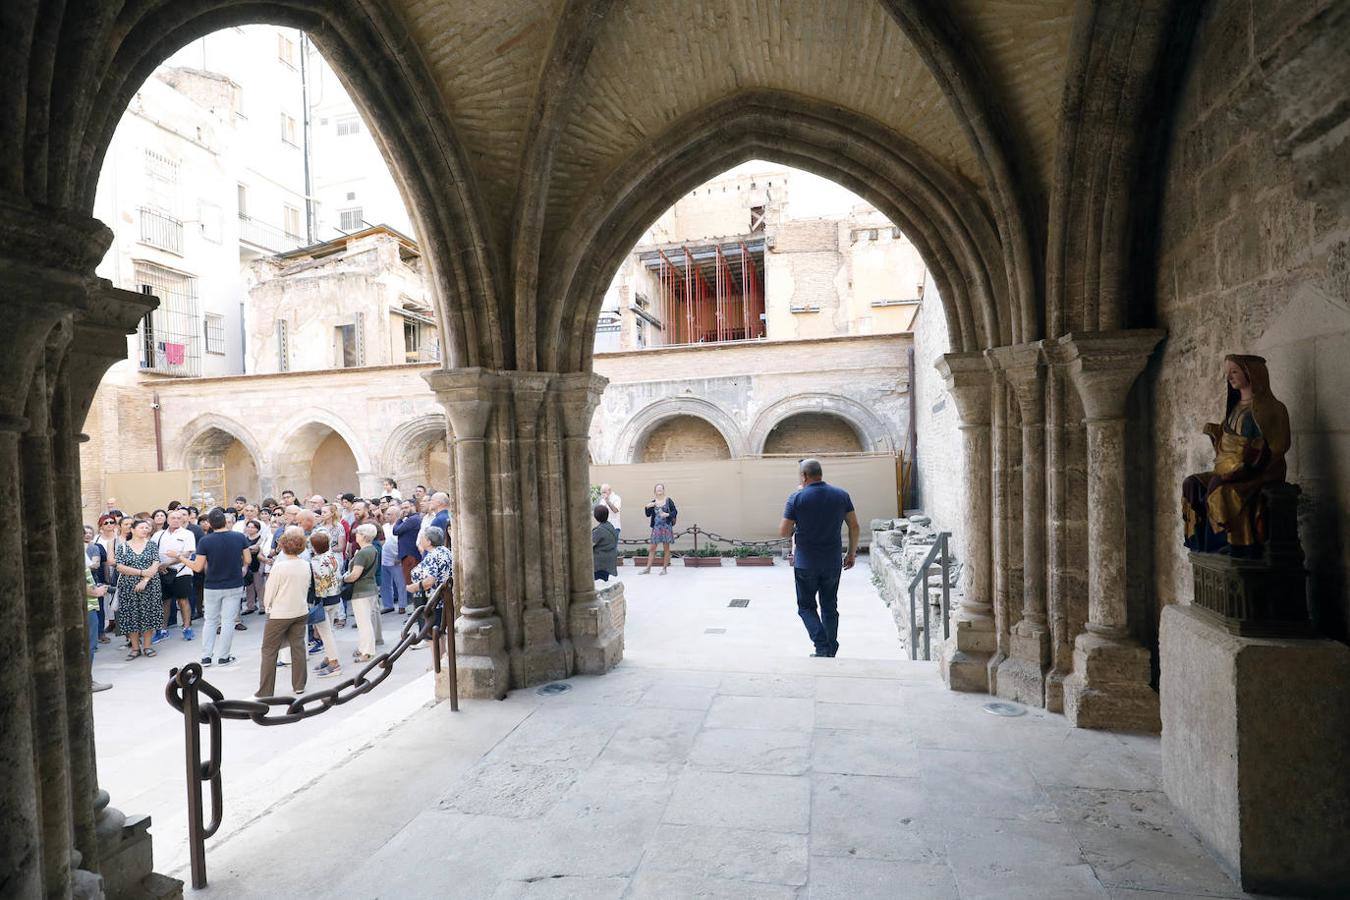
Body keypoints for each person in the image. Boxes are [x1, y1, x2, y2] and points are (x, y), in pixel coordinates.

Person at [779, 458, 859, 658]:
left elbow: (784, 532)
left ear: (804, 476)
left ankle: (822, 646)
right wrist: (851, 553)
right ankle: (830, 649)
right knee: (830, 606)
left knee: (806, 607)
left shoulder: (796, 498)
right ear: (820, 473)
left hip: (805, 563)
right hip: (832, 562)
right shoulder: (841, 495)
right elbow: (854, 525)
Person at [173, 509, 252, 667]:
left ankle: (206, 656)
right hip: (234, 583)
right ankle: (224, 656)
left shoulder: (205, 541)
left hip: (212, 585)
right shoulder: (239, 537)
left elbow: (197, 567)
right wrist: (242, 567)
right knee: (228, 621)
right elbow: (248, 559)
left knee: (210, 621)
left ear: (209, 524)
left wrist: (179, 557)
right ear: (225, 521)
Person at [257, 527, 310, 697]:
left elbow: (269, 592)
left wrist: (268, 608)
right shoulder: (305, 564)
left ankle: (265, 690)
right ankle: (299, 684)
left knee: (269, 650)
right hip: (300, 610)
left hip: (280, 613)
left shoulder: (279, 567)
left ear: (283, 546)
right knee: (298, 647)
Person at [113, 519, 163, 660]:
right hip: (128, 586)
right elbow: (120, 567)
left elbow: (155, 564)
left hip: (150, 585)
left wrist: (145, 580)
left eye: (147, 528)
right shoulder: (123, 546)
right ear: (133, 530)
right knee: (131, 616)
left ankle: (147, 646)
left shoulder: (152, 545)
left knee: (148, 615)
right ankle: (135, 648)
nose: (145, 530)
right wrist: (141, 573)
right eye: (141, 527)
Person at [405, 526, 452, 650]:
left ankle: (437, 665)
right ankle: (441, 660)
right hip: (442, 598)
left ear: (429, 541)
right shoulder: (445, 551)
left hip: (432, 600)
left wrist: (413, 587)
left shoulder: (432, 556)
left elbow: (429, 581)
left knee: (432, 634)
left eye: (422, 537)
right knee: (439, 632)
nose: (420, 539)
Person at [155, 508, 197, 643]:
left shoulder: (187, 534)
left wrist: (168, 563)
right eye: (173, 518)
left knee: (183, 600)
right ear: (167, 520)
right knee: (165, 601)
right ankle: (163, 630)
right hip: (163, 573)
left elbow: (186, 554)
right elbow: (152, 552)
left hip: (181, 571)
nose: (176, 520)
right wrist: (159, 567)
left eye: (179, 518)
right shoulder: (159, 535)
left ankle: (187, 628)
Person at [309, 531, 345, 678]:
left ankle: (334, 662)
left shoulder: (316, 561)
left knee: (326, 633)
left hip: (323, 599)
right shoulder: (332, 556)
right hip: (335, 596)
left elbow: (320, 584)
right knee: (329, 631)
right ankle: (328, 656)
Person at [343, 523, 380, 663]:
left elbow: (355, 575)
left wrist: (344, 579)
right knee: (366, 621)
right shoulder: (372, 549)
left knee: (363, 623)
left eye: (358, 533)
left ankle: (368, 652)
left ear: (364, 536)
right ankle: (363, 647)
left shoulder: (363, 552)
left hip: (361, 590)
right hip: (370, 588)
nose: (355, 536)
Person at [85, 563, 111, 692]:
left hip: (88, 606)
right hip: (87, 607)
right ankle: (86, 682)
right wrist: (96, 592)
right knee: (89, 646)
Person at [642, 484, 677, 576]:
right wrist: (647, 507)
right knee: (652, 548)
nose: (659, 490)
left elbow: (675, 512)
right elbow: (648, 514)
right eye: (657, 489)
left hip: (666, 527)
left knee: (666, 548)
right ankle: (648, 568)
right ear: (655, 491)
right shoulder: (653, 502)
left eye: (661, 489)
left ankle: (664, 569)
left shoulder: (668, 500)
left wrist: (667, 514)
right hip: (656, 528)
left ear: (664, 490)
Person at [379, 504, 407, 615]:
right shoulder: (384, 527)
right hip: (384, 558)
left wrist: (400, 557)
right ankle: (388, 605)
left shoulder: (401, 526)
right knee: (385, 584)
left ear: (396, 515)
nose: (386, 516)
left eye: (389, 514)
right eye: (386, 514)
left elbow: (403, 543)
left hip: (396, 559)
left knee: (400, 583)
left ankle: (402, 605)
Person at [393, 498, 423, 592]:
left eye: (406, 507)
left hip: (410, 555)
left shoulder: (413, 519)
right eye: (402, 508)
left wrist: (399, 519)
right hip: (410, 555)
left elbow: (396, 531)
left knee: (411, 583)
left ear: (413, 507)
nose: (404, 510)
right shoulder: (412, 519)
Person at [592, 504, 618, 582]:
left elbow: (589, 544)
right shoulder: (611, 526)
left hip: (599, 562)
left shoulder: (599, 530)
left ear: (596, 517)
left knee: (598, 583)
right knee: (604, 580)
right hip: (609, 560)